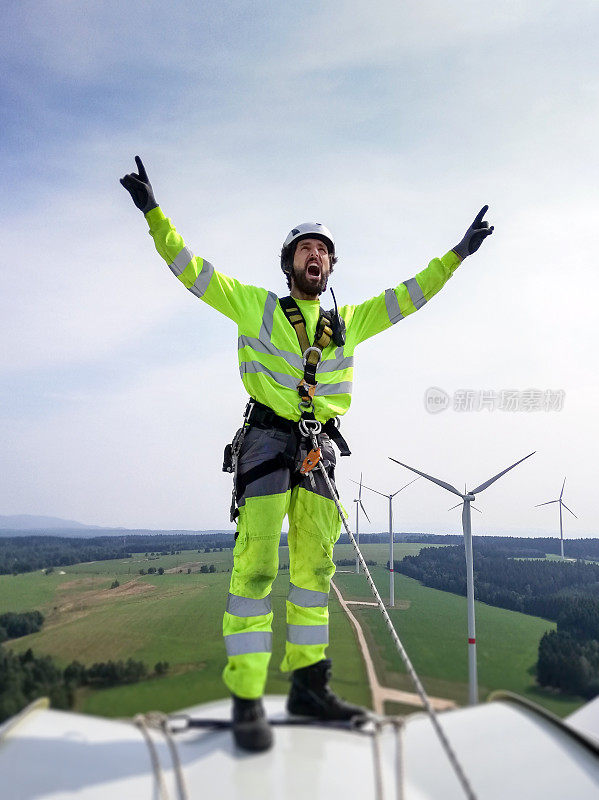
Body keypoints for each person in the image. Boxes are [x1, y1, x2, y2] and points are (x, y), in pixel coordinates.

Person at [120, 156, 493, 752]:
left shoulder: (352, 320)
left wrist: (458, 254)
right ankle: (246, 697)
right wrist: (153, 213)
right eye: (304, 249)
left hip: (319, 450)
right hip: (268, 444)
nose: (314, 256)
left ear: (332, 264)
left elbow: (410, 296)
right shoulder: (256, 307)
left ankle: (308, 688)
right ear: (289, 262)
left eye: (323, 250)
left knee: (316, 574)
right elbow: (191, 271)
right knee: (257, 570)